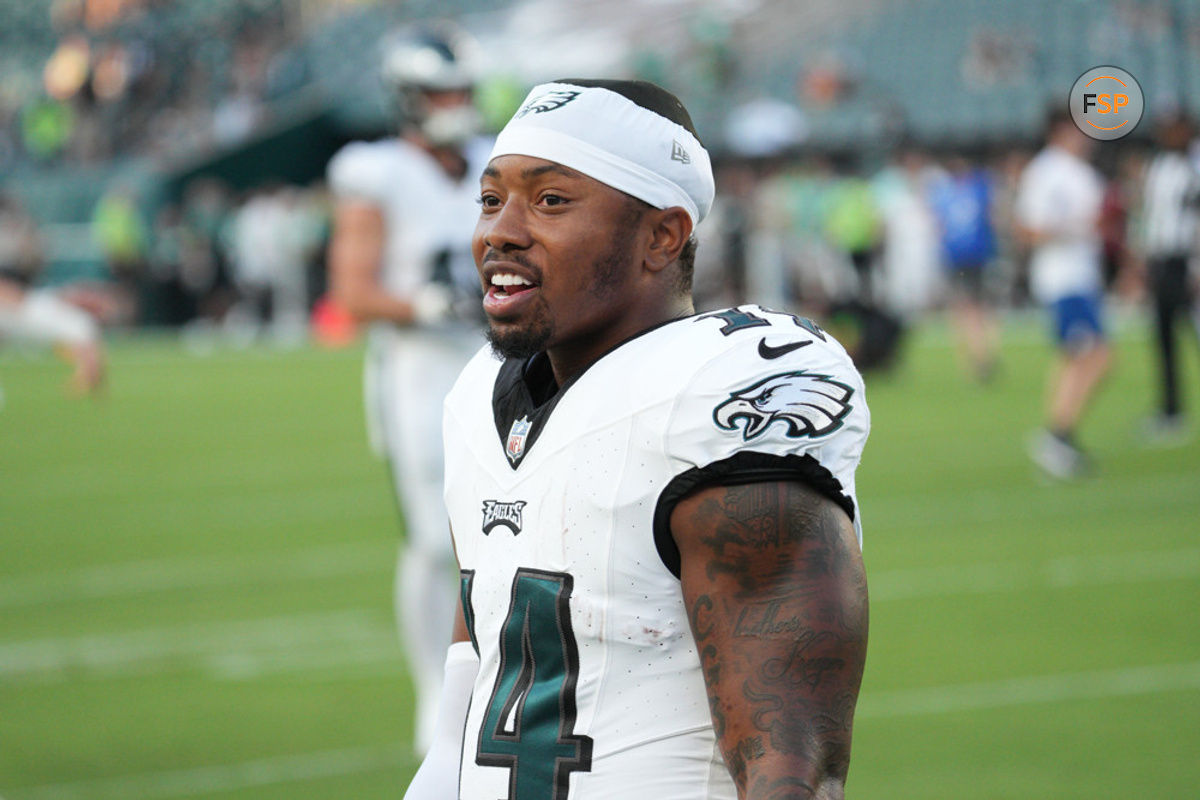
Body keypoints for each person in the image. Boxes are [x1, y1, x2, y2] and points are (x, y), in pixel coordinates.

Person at [405, 79, 870, 800]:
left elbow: (790, 773)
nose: (500, 230)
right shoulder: (479, 397)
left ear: (663, 236)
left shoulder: (713, 399)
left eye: (551, 200)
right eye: (491, 199)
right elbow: (469, 692)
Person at [324, 24, 491, 754]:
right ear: (408, 99)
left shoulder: (495, 161)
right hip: (418, 374)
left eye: (460, 89)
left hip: (499, 369)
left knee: (503, 533)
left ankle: (491, 683)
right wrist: (422, 305)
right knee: (432, 542)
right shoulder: (376, 171)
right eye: (439, 91)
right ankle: (435, 696)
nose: (454, 103)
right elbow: (352, 293)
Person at [1016, 110, 1112, 479]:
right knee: (1098, 354)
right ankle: (1057, 434)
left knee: (1077, 356)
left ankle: (1060, 434)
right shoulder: (1047, 172)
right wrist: (1076, 229)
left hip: (1081, 275)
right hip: (1063, 278)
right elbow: (1028, 229)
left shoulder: (1079, 171)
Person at [1138, 112, 1199, 441]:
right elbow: (1152, 218)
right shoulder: (1159, 166)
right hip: (1162, 260)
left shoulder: (1194, 162)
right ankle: (1171, 410)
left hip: (1187, 261)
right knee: (1164, 339)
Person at [928, 155, 1001, 382]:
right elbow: (991, 216)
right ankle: (985, 351)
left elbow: (939, 225)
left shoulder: (944, 192)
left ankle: (974, 356)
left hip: (956, 254)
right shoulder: (981, 186)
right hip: (978, 253)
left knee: (964, 308)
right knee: (982, 306)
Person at [0, 276, 106, 397]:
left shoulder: (80, 322)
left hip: (23, 312)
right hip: (22, 311)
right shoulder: (74, 318)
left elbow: (91, 354)